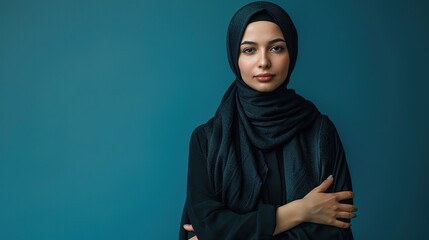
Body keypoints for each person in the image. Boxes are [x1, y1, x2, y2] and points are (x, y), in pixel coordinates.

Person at [179, 1, 357, 239]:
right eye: (249, 50)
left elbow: (336, 232)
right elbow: (207, 224)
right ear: (235, 57)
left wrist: (229, 233)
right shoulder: (208, 140)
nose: (263, 61)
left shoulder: (319, 131)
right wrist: (300, 211)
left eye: (276, 48)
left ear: (291, 53)